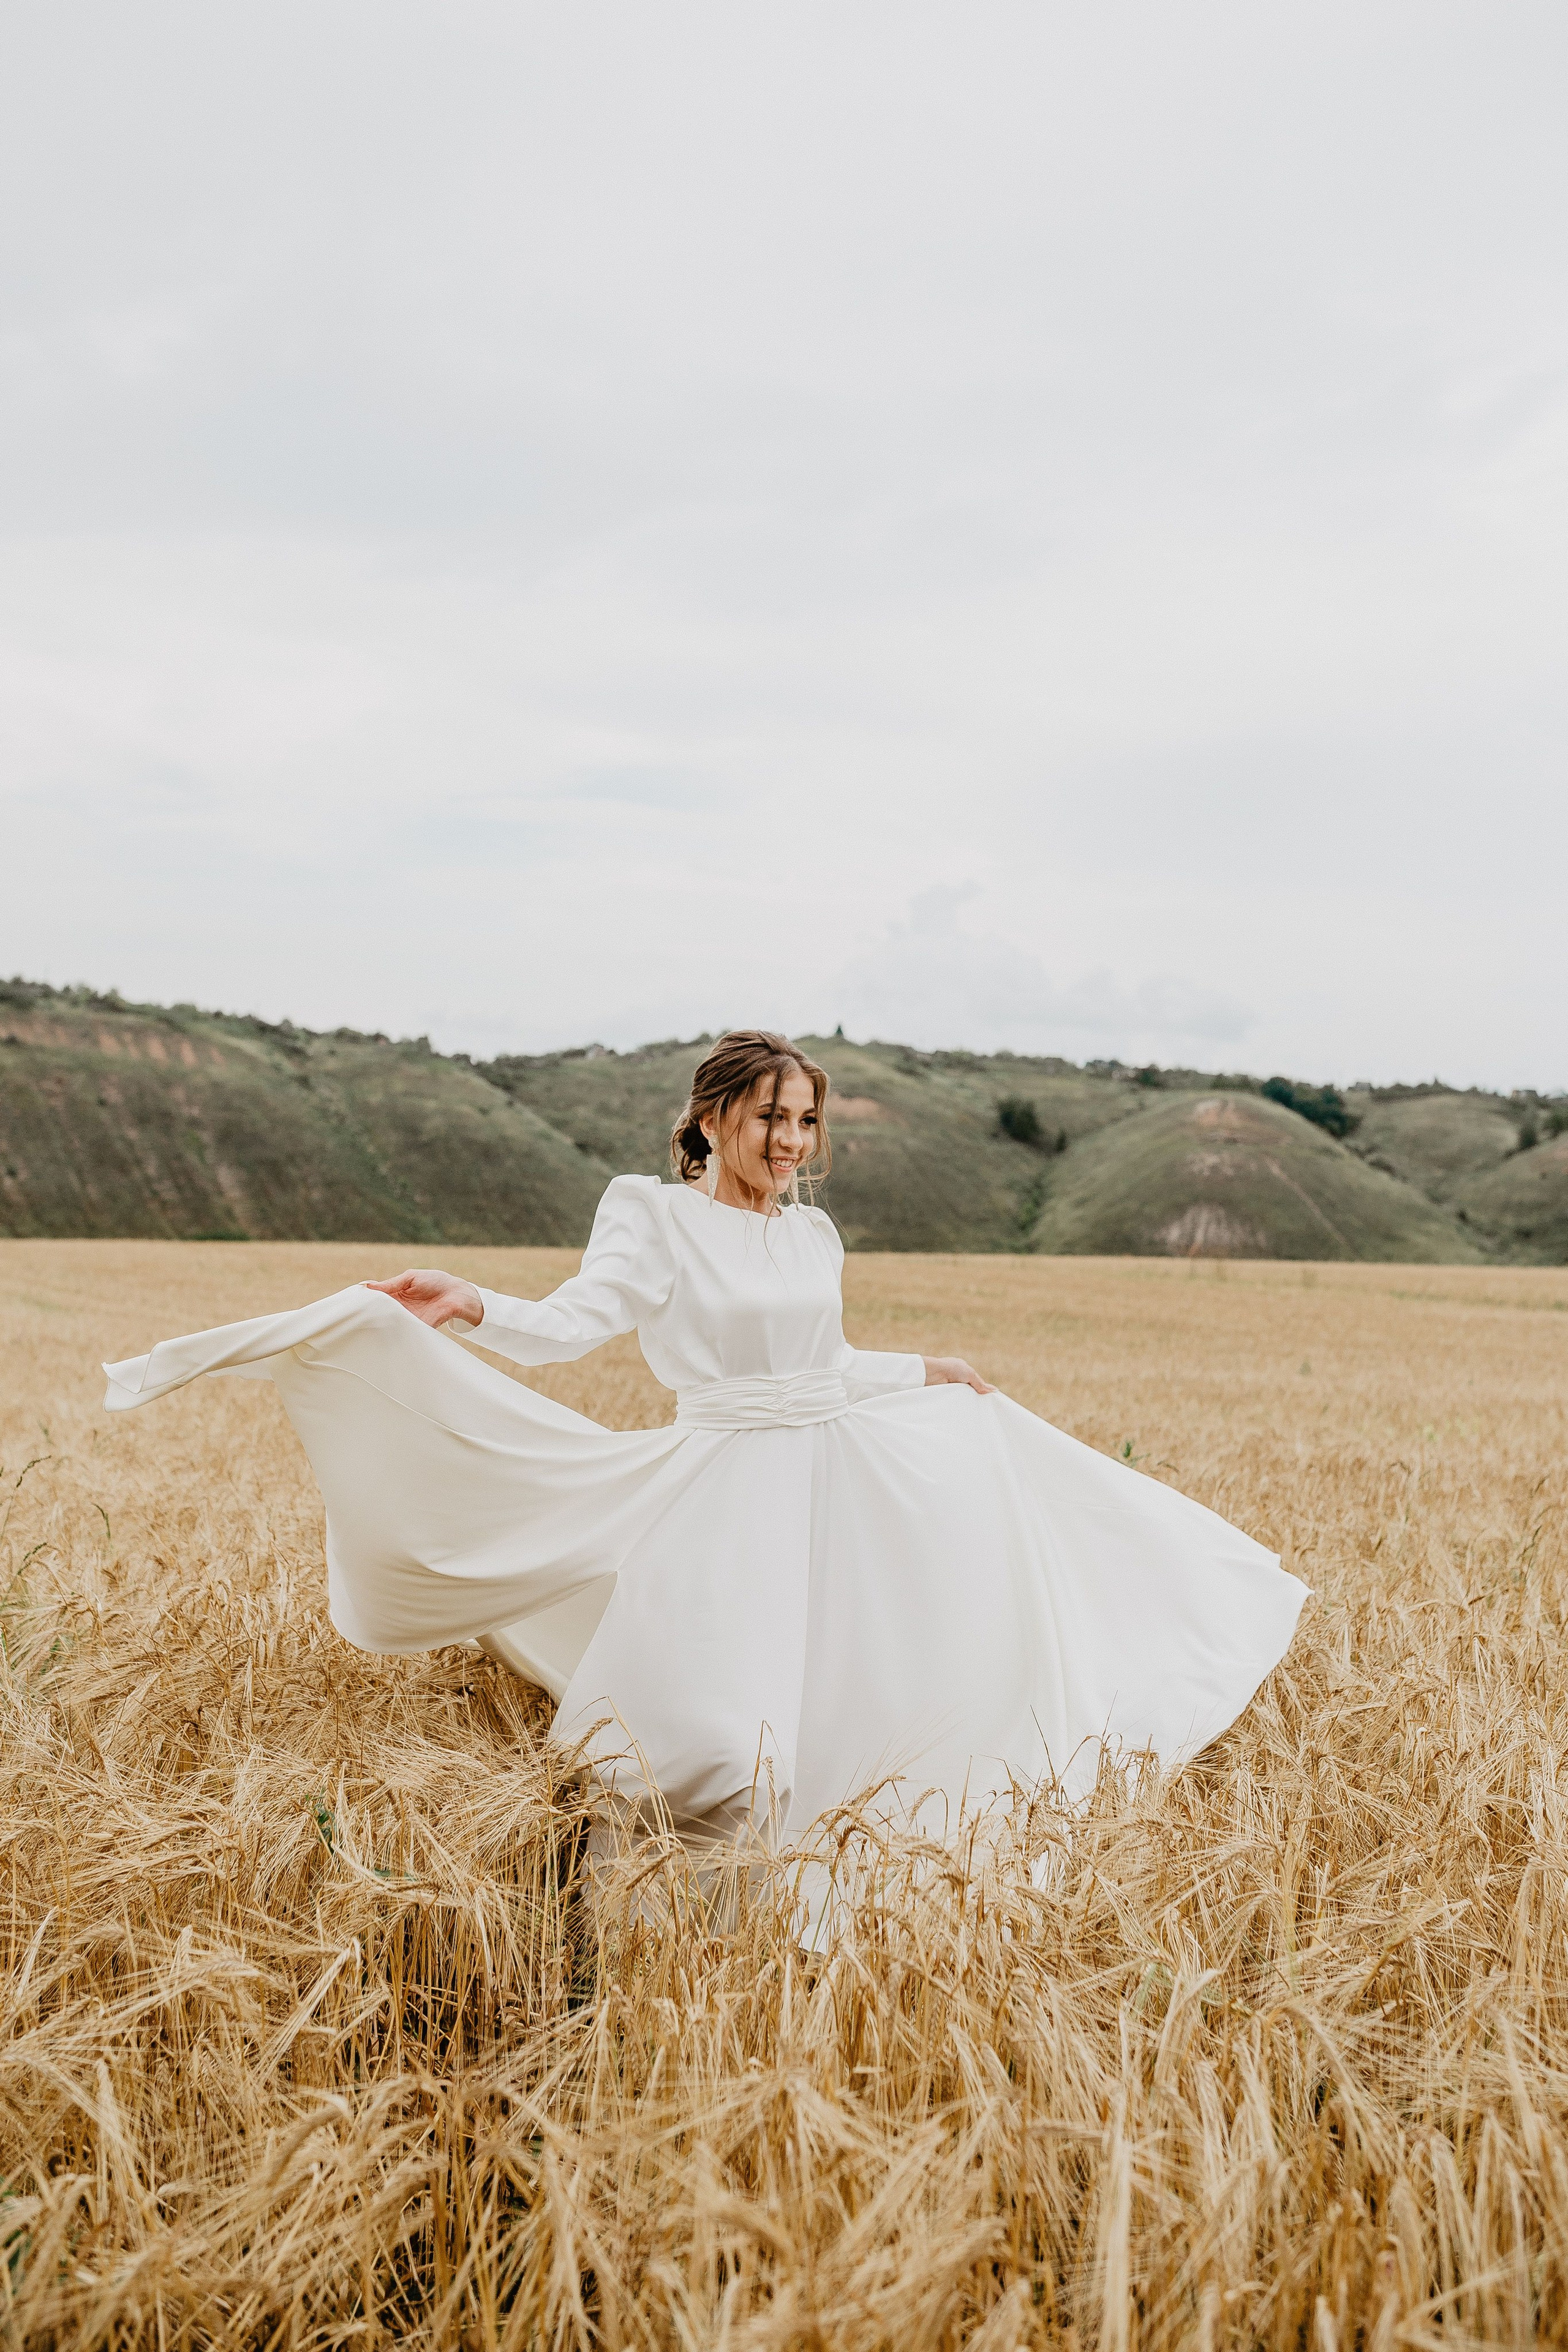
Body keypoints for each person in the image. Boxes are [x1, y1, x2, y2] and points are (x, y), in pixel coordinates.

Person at [104, 1029, 1306, 1849]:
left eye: (806, 1121)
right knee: (706, 1750)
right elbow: (578, 1323)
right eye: (772, 1116)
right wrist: (475, 1303)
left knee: (865, 1693)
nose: (792, 1140)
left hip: (831, 1479)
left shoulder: (813, 1235)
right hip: (723, 1488)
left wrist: (923, 1372)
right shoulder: (652, 1216)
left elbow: (825, 1366)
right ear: (714, 1116)